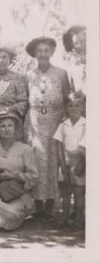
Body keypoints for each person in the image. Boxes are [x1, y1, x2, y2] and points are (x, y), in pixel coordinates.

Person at [24, 36, 71, 222]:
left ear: (51, 52)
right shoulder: (29, 74)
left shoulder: (61, 73)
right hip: (35, 121)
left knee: (53, 161)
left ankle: (51, 204)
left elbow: (68, 98)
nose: (43, 54)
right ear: (35, 54)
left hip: (55, 121)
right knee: (36, 160)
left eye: (46, 50)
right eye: (39, 51)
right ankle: (37, 205)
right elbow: (26, 98)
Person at [0, 110, 38, 230]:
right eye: (2, 126)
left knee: (11, 212)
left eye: (10, 125)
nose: (7, 129)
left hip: (17, 193)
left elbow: (34, 176)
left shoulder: (25, 149)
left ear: (15, 128)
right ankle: (8, 219)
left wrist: (14, 175)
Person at [53, 92, 86, 230]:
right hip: (65, 162)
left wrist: (81, 165)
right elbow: (59, 145)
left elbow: (86, 149)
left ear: (83, 107)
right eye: (70, 105)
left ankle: (79, 219)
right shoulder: (63, 124)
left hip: (80, 162)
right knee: (66, 193)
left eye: (77, 105)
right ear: (66, 107)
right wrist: (62, 165)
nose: (73, 108)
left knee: (79, 194)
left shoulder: (86, 124)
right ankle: (64, 219)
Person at [0, 46, 28, 122]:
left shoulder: (18, 78)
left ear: (10, 60)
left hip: (12, 122)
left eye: (4, 57)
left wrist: (4, 110)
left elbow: (23, 103)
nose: (1, 60)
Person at [62, 25, 86, 95]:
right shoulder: (71, 68)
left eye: (83, 40)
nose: (81, 45)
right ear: (71, 46)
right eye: (76, 43)